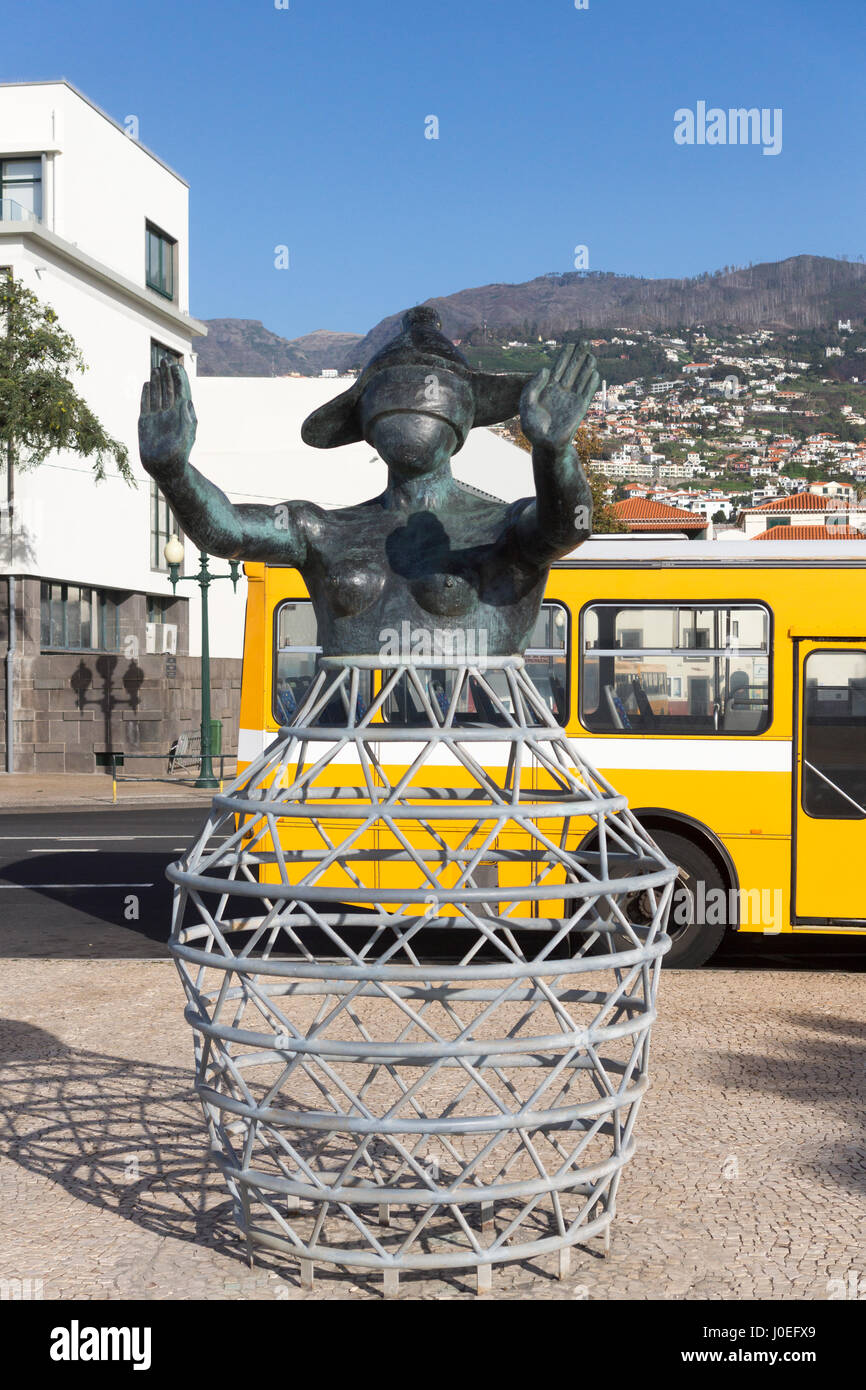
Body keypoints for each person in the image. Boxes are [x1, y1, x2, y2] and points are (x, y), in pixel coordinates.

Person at [138, 306, 598, 657]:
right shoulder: (319, 529)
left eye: (428, 388)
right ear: (364, 423)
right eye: (395, 391)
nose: (416, 400)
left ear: (465, 413)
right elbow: (229, 530)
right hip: (347, 744)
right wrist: (173, 471)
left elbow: (569, 526)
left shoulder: (505, 528)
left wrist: (555, 452)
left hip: (480, 752)